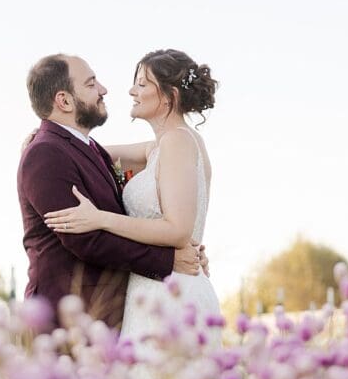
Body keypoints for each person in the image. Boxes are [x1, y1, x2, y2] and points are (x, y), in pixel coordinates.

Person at [43, 48, 222, 348]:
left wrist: (101, 219)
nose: (131, 91)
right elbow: (93, 152)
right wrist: (42, 138)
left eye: (141, 83)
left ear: (168, 95)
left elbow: (178, 230)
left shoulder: (178, 142)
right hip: (156, 292)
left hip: (172, 294)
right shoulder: (161, 147)